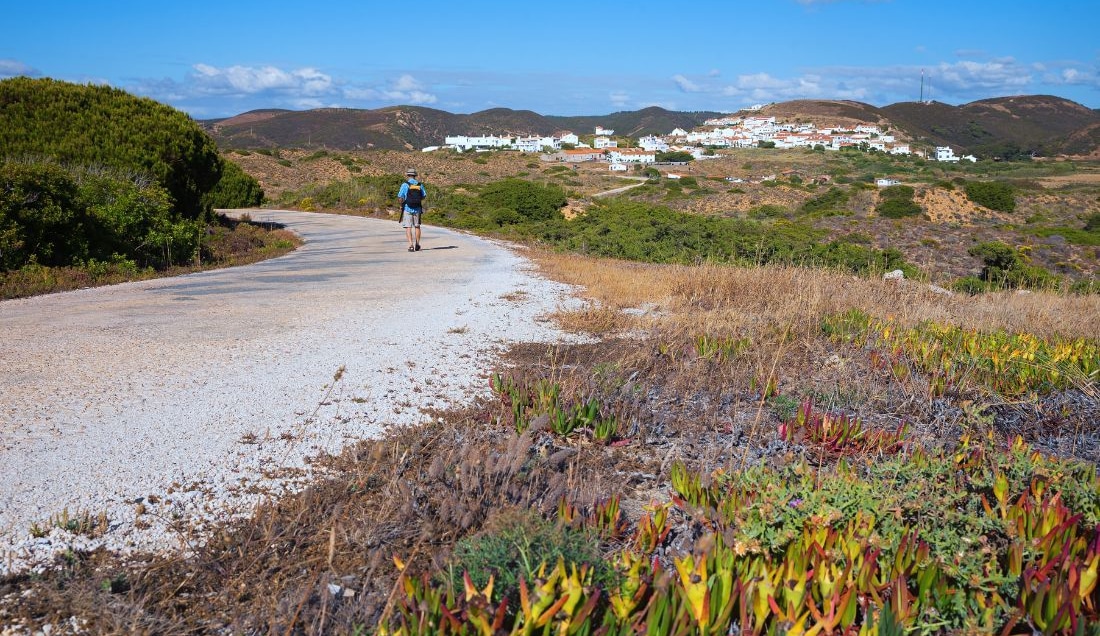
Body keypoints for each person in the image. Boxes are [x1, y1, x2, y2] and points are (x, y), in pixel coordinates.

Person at [397, 168, 426, 252]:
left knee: (408, 227)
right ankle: (417, 244)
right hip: (417, 208)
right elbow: (424, 196)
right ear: (415, 176)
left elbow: (400, 197)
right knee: (417, 226)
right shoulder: (420, 185)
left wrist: (401, 205)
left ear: (408, 175)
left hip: (407, 208)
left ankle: (411, 245)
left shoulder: (405, 185)